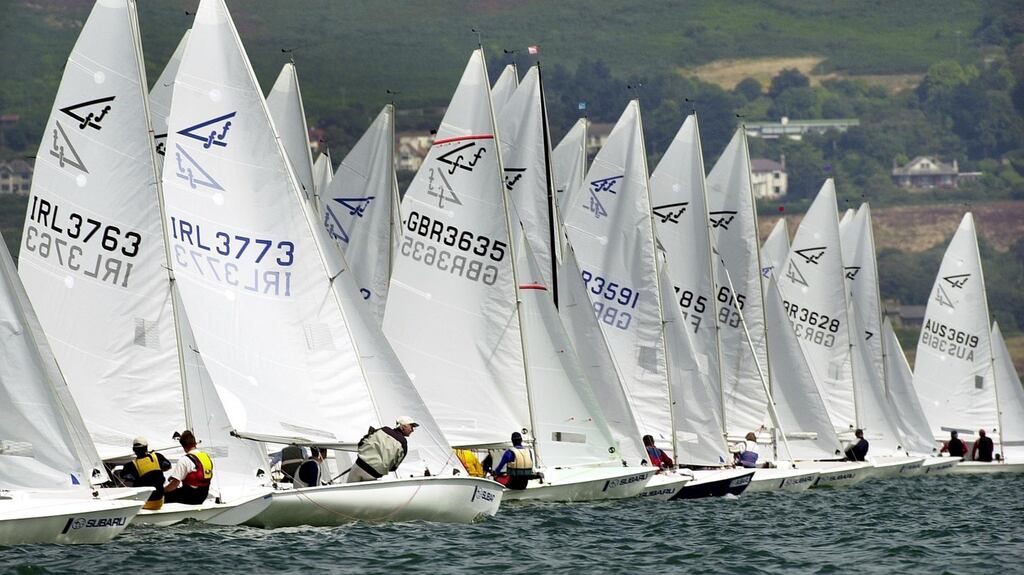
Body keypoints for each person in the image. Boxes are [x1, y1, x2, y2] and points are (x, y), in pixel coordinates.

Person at [346, 416, 417, 483]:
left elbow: (362, 442)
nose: (412, 430)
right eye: (411, 426)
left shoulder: (383, 429)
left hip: (358, 466)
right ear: (403, 426)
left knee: (347, 492)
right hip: (372, 475)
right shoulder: (403, 444)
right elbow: (394, 467)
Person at [119, 437, 171, 510]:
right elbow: (168, 466)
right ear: (146, 447)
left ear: (134, 450)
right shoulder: (157, 456)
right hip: (159, 502)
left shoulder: (130, 466)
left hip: (144, 504)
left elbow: (123, 476)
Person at [164, 430, 213, 505]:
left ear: (183, 446)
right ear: (195, 443)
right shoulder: (206, 457)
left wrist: (163, 490)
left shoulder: (184, 460)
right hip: (203, 495)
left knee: (161, 495)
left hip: (189, 497)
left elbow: (174, 484)